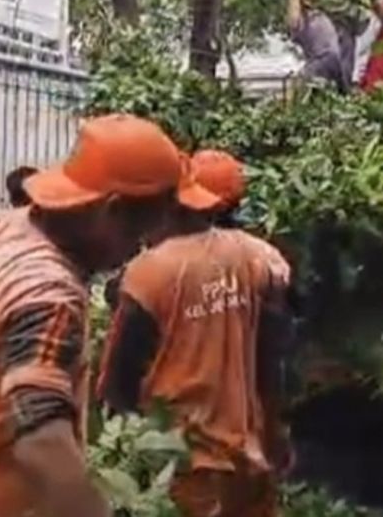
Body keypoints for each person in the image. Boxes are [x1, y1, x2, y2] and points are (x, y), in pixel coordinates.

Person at [0, 114, 219, 517]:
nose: (135, 252)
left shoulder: (0, 231)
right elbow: (40, 436)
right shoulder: (47, 294)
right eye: (137, 236)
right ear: (112, 210)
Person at [96, 149, 294, 517]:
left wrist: (120, 452)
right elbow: (273, 354)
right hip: (249, 451)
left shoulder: (147, 274)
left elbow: (118, 381)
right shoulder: (263, 258)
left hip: (182, 457)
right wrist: (275, 430)